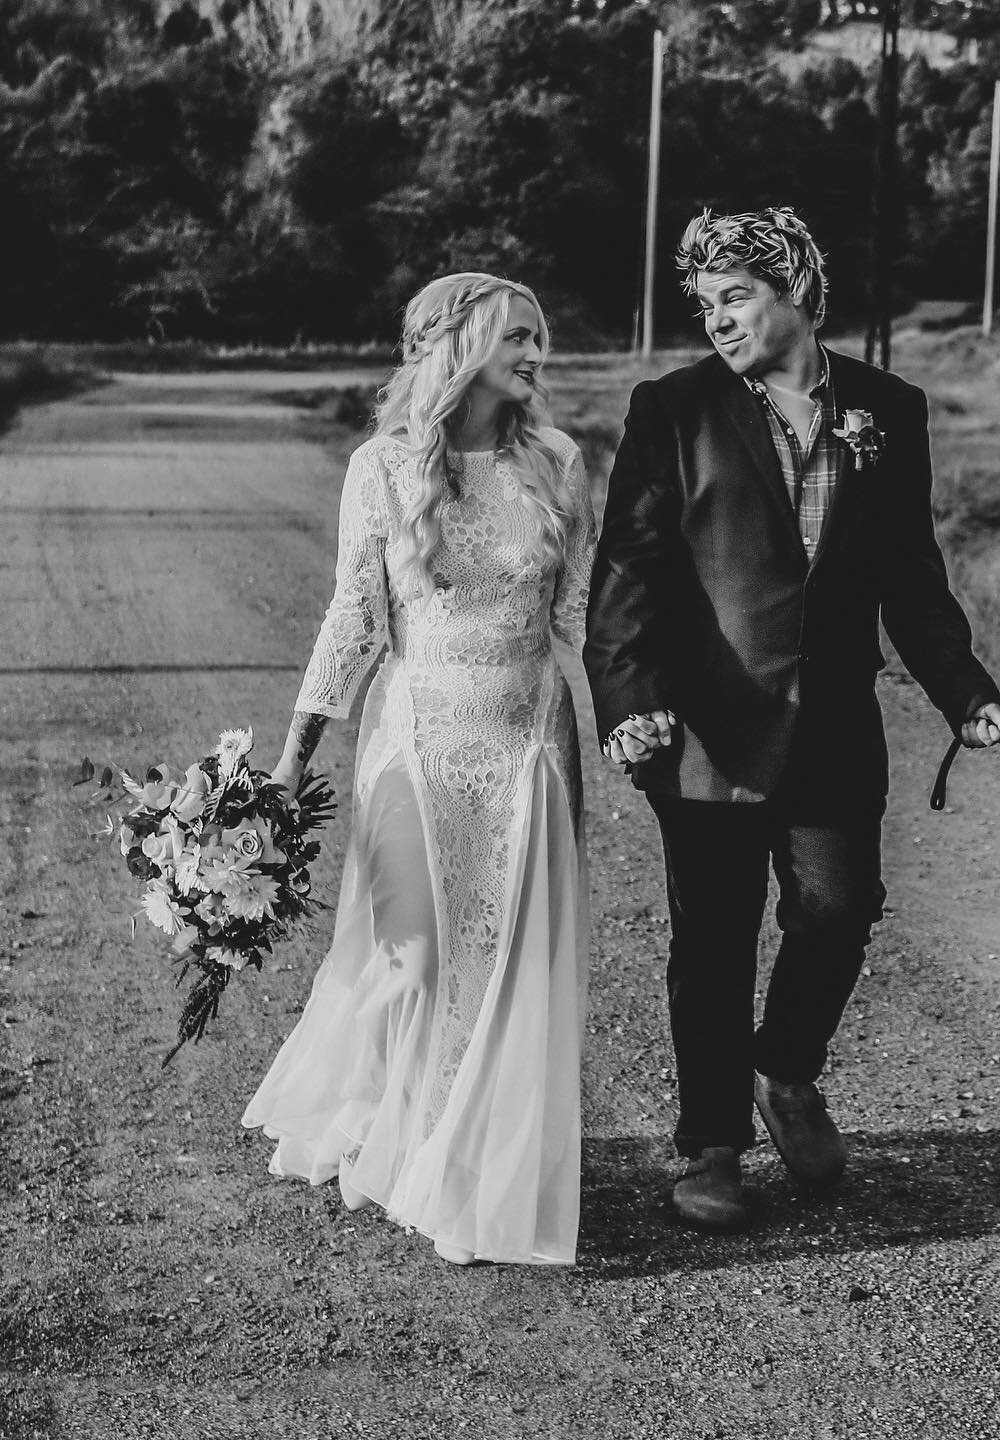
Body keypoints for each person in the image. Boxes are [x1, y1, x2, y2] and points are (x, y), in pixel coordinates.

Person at [583, 207, 1000, 1232]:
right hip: (706, 729)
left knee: (840, 907)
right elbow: (627, 575)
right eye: (707, 304)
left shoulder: (887, 410)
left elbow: (911, 577)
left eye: (738, 298)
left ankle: (787, 1071)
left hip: (832, 724)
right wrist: (630, 703)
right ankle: (714, 1145)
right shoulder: (672, 409)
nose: (719, 320)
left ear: (797, 295)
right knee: (715, 939)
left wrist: (967, 691)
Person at [243, 273, 595, 1266]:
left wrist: (634, 712)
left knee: (506, 966)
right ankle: (404, 1128)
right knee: (414, 963)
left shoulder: (561, 462)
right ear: (460, 343)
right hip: (416, 742)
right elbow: (353, 616)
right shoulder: (383, 466)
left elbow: (579, 616)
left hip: (528, 738)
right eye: (519, 334)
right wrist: (292, 754)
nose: (539, 350)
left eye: (541, 333)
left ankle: (476, 1160)